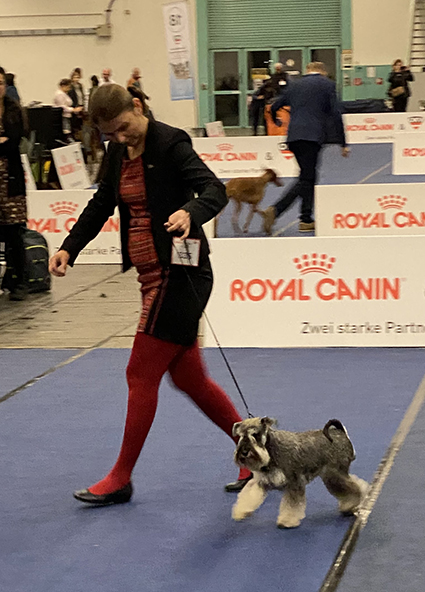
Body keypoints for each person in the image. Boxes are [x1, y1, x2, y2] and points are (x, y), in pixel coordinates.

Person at [48, 83, 252, 505]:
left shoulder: (171, 143)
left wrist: (190, 212)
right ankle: (255, 457)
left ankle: (120, 477)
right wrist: (69, 247)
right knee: (190, 378)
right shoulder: (118, 152)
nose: (120, 138)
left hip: (181, 275)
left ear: (138, 107)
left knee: (140, 374)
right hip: (150, 277)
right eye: (110, 134)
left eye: (123, 128)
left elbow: (214, 191)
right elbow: (102, 203)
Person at [263, 62, 348, 234]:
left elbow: (274, 106)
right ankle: (276, 210)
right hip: (313, 136)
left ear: (307, 70)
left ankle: (306, 219)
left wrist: (277, 121)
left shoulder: (294, 85)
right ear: (323, 71)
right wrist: (343, 142)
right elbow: (335, 113)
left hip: (294, 136)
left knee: (308, 176)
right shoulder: (327, 85)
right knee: (307, 178)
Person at [0, 69, 27, 300]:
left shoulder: (14, 110)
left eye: (0, 83)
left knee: (14, 232)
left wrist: (6, 142)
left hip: (11, 181)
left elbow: (14, 142)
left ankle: (18, 280)